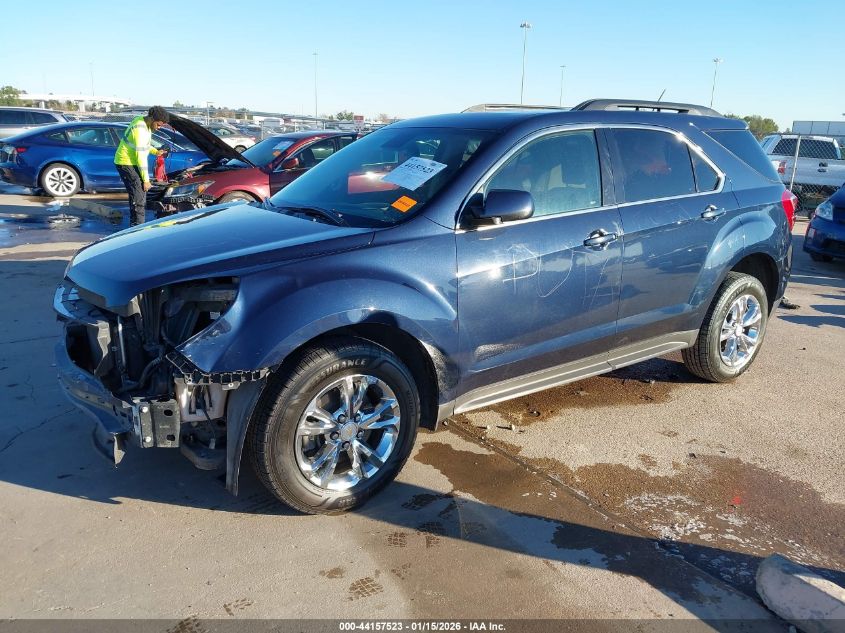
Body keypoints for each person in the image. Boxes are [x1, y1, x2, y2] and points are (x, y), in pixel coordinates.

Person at [114, 106, 170, 226]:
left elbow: (144, 145)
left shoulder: (143, 122)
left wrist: (156, 151)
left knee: (138, 195)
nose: (159, 128)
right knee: (139, 196)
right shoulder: (140, 129)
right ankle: (137, 228)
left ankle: (135, 225)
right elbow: (141, 156)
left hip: (131, 162)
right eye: (158, 125)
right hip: (126, 162)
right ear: (152, 119)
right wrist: (146, 180)